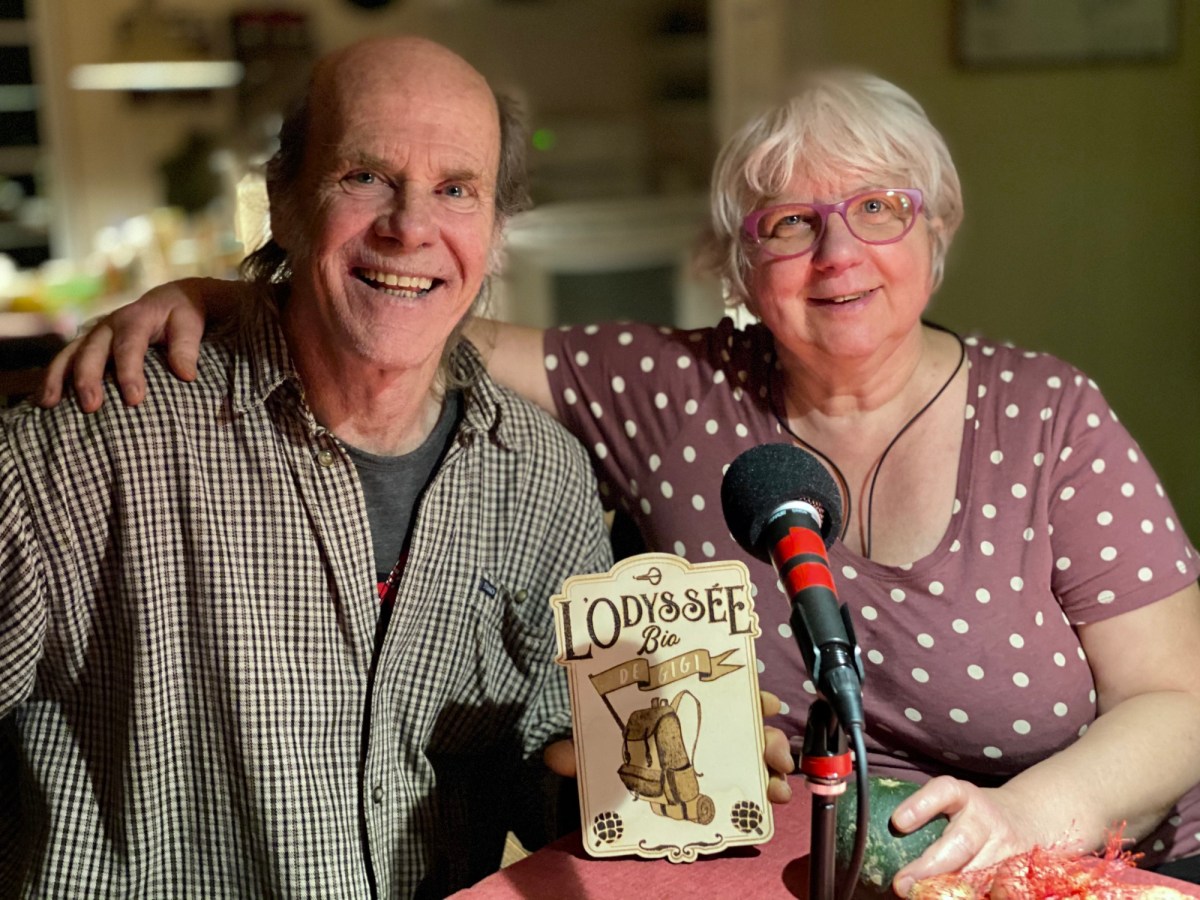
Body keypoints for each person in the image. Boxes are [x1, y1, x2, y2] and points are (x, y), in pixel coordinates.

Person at [40, 70, 1200, 896]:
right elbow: (411, 306)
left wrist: (1021, 822)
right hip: (779, 874)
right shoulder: (671, 391)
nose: (839, 254)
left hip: (1066, 865)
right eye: (788, 224)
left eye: (879, 209)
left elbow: (1179, 703)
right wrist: (229, 294)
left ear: (935, 228)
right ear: (737, 261)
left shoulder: (1048, 415)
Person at [1, 35, 624, 899]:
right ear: (284, 202)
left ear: (495, 230)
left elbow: (549, 772)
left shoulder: (541, 477)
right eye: (364, 176)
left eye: (455, 190)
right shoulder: (89, 447)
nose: (410, 227)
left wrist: (654, 771)